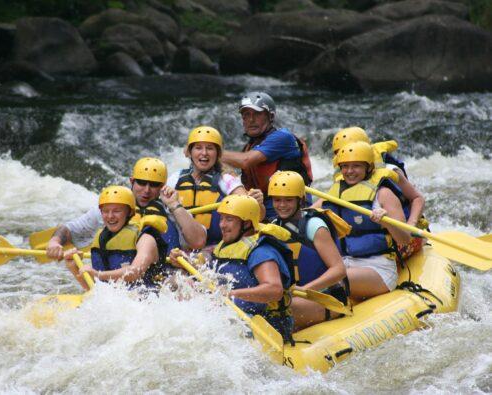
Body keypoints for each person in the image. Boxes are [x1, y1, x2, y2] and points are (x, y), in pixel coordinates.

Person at [170, 195, 295, 341]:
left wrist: (231, 294)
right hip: (235, 316)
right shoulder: (226, 245)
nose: (222, 225)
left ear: (247, 223)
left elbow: (274, 290)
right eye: (221, 218)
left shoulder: (261, 252)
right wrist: (186, 264)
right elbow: (210, 274)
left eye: (229, 219)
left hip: (265, 325)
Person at [46, 157, 206, 260]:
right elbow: (68, 229)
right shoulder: (112, 209)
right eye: (142, 183)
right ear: (132, 181)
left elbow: (198, 241)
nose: (147, 190)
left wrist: (175, 206)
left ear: (163, 187)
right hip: (120, 279)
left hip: (162, 280)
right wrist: (54, 241)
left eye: (154, 185)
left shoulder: (171, 209)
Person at [317, 142, 412, 299]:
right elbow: (307, 213)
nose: (349, 171)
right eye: (345, 166)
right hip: (342, 263)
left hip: (377, 267)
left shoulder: (384, 194)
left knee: (333, 280)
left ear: (368, 167)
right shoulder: (335, 192)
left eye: (356, 166)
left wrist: (386, 222)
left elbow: (405, 238)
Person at [267, 171, 349, 330]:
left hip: (327, 298)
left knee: (282, 311)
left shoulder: (314, 226)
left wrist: (305, 290)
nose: (282, 205)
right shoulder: (274, 226)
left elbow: (339, 270)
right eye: (277, 200)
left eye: (288, 200)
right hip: (295, 296)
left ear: (301, 200)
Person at [331, 127, 427, 259]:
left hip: (402, 232)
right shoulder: (345, 174)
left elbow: (417, 198)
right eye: (338, 153)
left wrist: (411, 225)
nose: (343, 155)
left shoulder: (389, 170)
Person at [168, 125, 265, 247]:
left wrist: (258, 203)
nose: (204, 153)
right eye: (198, 148)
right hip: (178, 250)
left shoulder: (226, 180)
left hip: (215, 247)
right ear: (189, 152)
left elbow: (256, 214)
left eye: (210, 148)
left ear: (218, 153)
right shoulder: (175, 178)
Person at [221, 92, 313, 218]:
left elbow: (245, 161)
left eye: (257, 114)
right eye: (246, 115)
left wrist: (210, 150)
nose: (251, 120)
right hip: (263, 207)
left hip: (290, 208)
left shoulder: (282, 137)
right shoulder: (249, 147)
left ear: (270, 116)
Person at [63, 185, 168, 290]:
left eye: (116, 211)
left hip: (150, 299)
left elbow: (135, 272)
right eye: (105, 211)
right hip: (120, 301)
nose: (110, 216)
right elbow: (95, 289)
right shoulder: (102, 238)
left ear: (130, 212)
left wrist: (98, 274)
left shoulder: (145, 239)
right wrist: (74, 267)